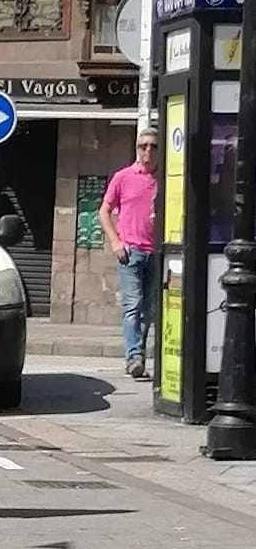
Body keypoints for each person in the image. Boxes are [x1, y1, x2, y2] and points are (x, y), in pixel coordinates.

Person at [98, 128, 159, 379]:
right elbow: (104, 211)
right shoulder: (123, 177)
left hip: (157, 252)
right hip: (130, 252)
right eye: (142, 146)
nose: (147, 151)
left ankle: (139, 354)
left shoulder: (166, 178)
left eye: (153, 146)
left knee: (149, 309)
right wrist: (115, 242)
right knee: (132, 306)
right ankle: (134, 356)